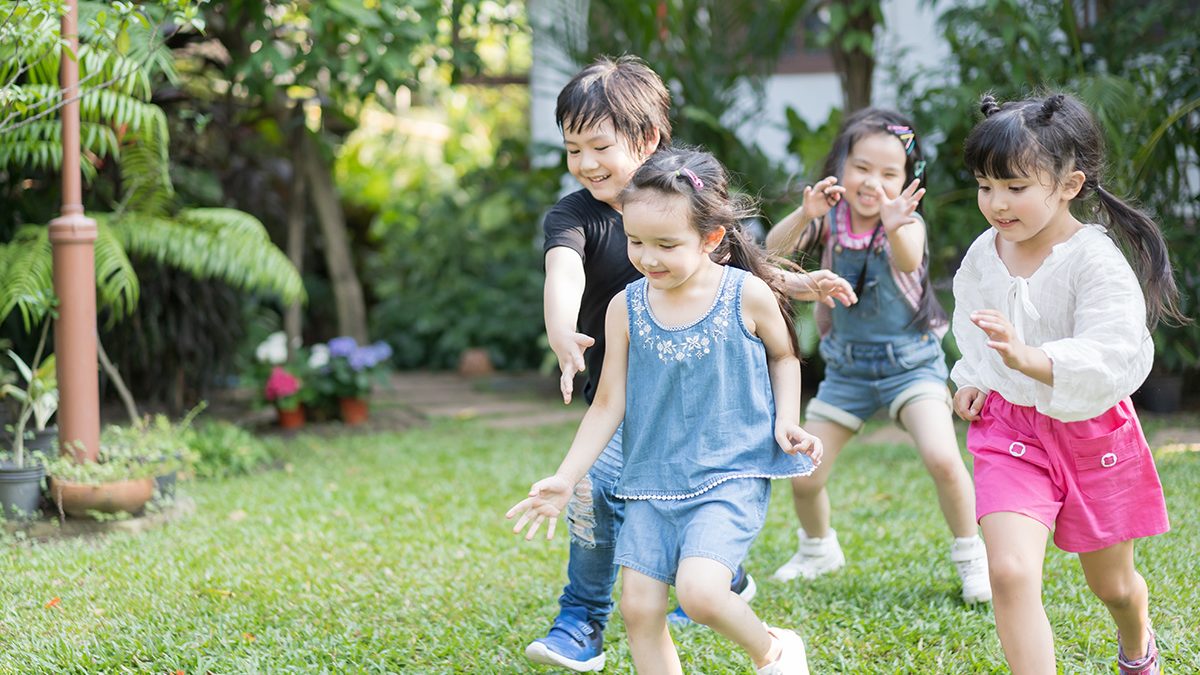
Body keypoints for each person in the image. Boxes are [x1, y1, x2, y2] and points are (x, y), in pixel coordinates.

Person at [532, 55, 854, 672]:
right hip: (630, 405)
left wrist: (795, 283)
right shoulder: (575, 217)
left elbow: (746, 271)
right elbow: (562, 269)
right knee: (594, 506)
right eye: (573, 149)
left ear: (647, 140)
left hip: (712, 418)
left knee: (694, 579)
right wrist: (561, 330)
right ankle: (580, 616)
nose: (586, 163)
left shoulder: (688, 203)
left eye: (599, 145)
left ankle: (720, 584)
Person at [952, 92, 1180, 674]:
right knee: (1008, 571)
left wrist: (1032, 359)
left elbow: (1113, 350)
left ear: (1069, 184)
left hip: (1092, 434)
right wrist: (975, 378)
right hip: (1010, 430)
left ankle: (1136, 644)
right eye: (985, 185)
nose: (996, 204)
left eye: (1015, 187)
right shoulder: (985, 253)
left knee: (1114, 587)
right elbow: (975, 329)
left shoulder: (1094, 261)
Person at [763, 108, 991, 604]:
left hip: (911, 365)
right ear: (841, 166)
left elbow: (909, 257)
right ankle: (818, 549)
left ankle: (973, 558)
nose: (873, 182)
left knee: (943, 459)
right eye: (862, 167)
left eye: (890, 174)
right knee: (805, 472)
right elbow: (769, 253)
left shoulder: (908, 225)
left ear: (909, 180)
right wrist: (806, 214)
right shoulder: (829, 223)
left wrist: (894, 224)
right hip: (848, 371)